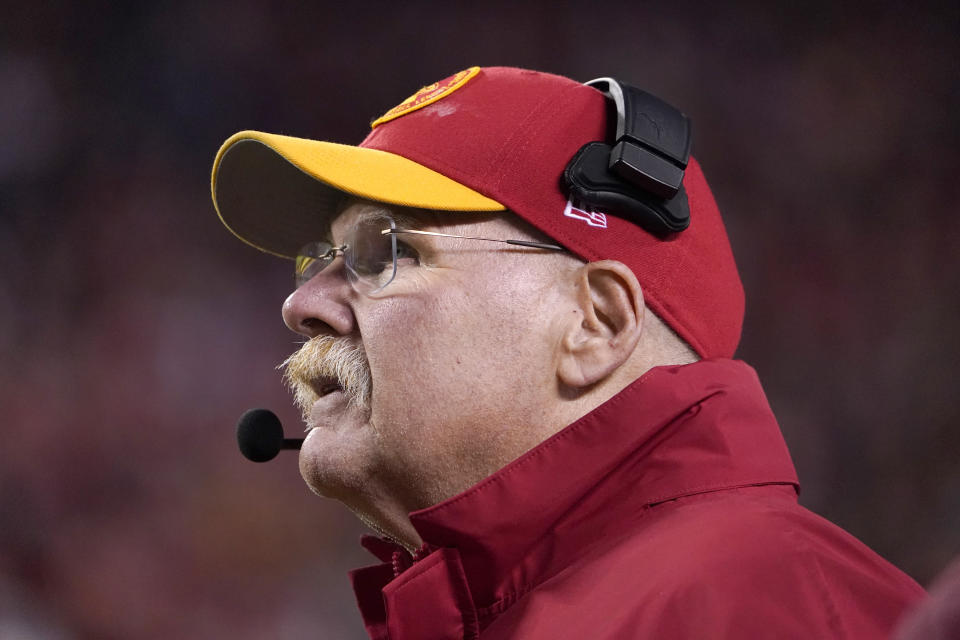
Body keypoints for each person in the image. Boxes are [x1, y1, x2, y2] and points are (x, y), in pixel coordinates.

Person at [210, 66, 924, 639]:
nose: (301, 305)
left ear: (595, 323)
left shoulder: (764, 601)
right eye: (320, 259)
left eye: (381, 253)